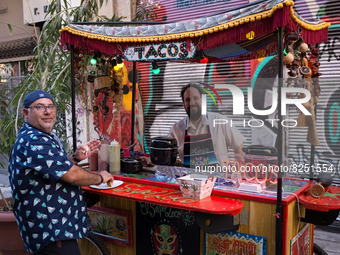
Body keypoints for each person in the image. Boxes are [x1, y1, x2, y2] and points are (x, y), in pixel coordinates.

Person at [8, 90, 113, 255]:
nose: (47, 111)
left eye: (50, 106)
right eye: (40, 107)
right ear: (26, 113)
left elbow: (55, 168)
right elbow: (71, 175)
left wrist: (76, 158)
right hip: (50, 229)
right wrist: (100, 178)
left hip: (55, 227)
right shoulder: (33, 140)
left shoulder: (40, 137)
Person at [169, 83, 244, 168]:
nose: (192, 103)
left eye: (195, 98)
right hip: (188, 180)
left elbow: (239, 150)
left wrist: (238, 175)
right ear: (184, 104)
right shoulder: (176, 129)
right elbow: (168, 157)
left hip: (219, 180)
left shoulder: (220, 121)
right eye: (187, 100)